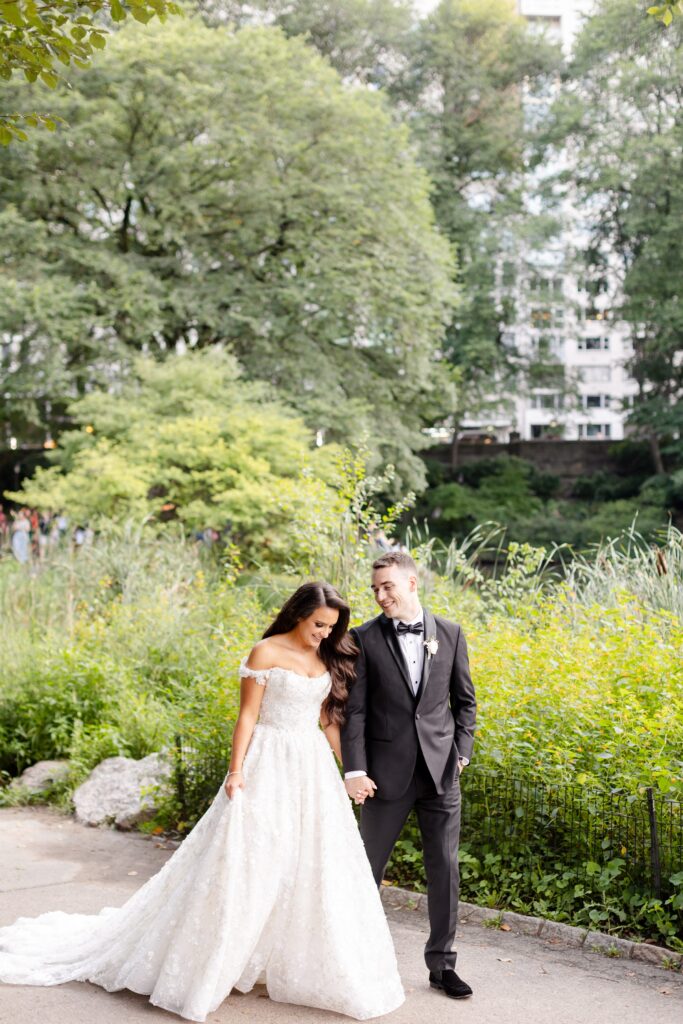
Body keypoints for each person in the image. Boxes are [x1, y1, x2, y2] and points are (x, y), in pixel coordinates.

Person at [0, 582, 405, 1023]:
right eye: (318, 625)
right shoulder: (265, 652)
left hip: (311, 769)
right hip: (268, 763)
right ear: (298, 615)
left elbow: (327, 719)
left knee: (311, 862)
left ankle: (280, 957)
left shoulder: (325, 655)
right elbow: (247, 715)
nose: (324, 634)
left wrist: (352, 771)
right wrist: (236, 771)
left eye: (330, 627)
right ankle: (215, 960)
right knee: (249, 859)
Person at [341, 551, 477, 1001]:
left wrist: (462, 752)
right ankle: (355, 962)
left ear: (412, 584)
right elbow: (354, 711)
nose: (381, 596)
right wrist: (355, 769)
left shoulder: (451, 634)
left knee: (445, 870)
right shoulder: (363, 638)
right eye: (375, 589)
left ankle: (442, 966)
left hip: (441, 774)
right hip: (384, 777)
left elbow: (465, 703)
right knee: (365, 870)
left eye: (388, 587)